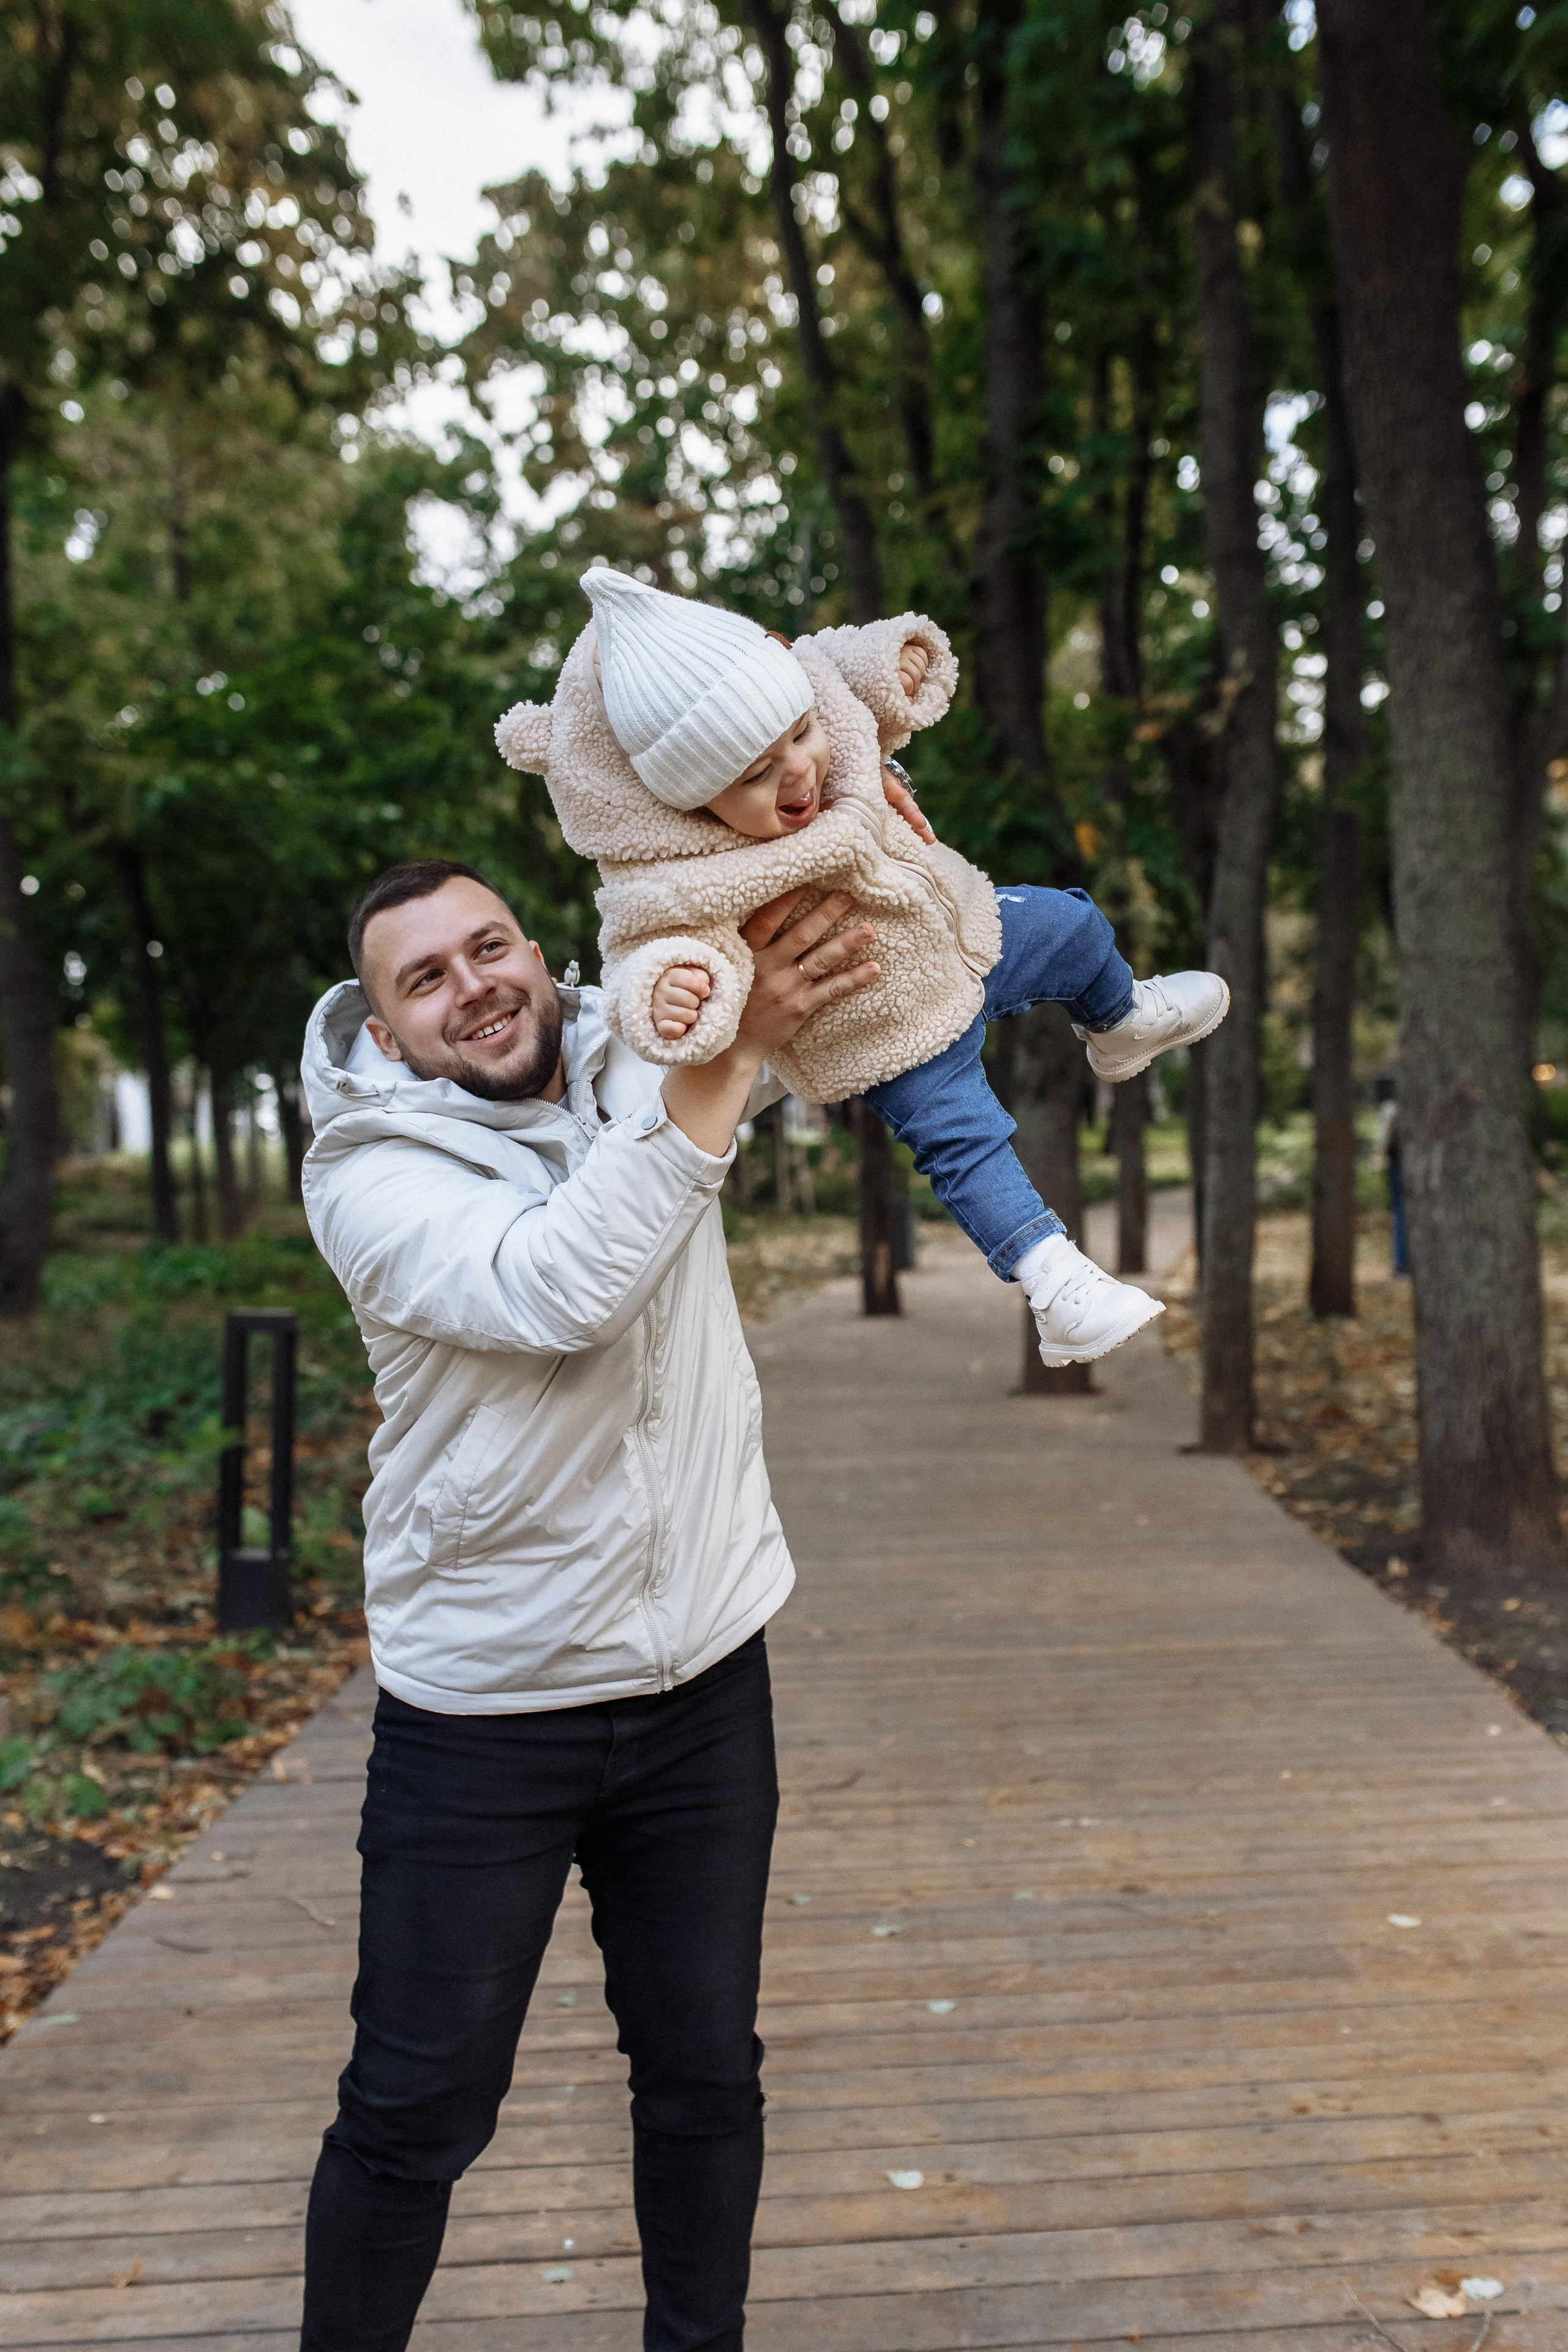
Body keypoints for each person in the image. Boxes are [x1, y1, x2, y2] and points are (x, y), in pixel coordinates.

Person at [296, 855, 878, 2351]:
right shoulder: (369, 1173)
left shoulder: (645, 1039)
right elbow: (561, 1286)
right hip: (487, 1709)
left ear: (539, 952)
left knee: (702, 2077)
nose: (470, 987)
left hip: (700, 1681)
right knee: (416, 2105)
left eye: (487, 947)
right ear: (383, 1027)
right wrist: (725, 1061)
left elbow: (814, 943)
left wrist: (855, 824)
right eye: (422, 978)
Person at [497, 567, 1229, 1368]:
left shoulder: (814, 711)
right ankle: (1057, 1286)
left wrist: (901, 660)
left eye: (800, 736)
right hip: (875, 1024)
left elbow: (841, 664)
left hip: (968, 931)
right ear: (692, 803)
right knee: (968, 1143)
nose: (800, 771)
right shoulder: (679, 874)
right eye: (755, 775)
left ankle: (1121, 1024)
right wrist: (670, 989)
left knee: (1078, 924)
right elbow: (647, 945)